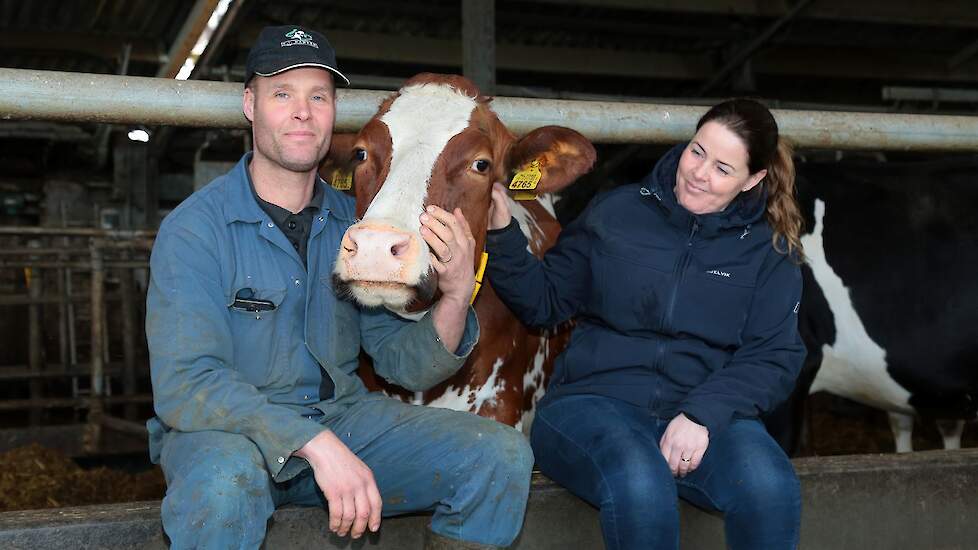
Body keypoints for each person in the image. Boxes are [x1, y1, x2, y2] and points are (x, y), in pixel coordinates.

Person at [145, 25, 533, 550]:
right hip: (227, 435)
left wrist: (455, 295)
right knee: (223, 485)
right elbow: (187, 383)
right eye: (282, 94)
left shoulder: (354, 224)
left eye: (318, 96)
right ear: (249, 106)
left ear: (334, 112)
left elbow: (399, 361)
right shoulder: (195, 228)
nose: (302, 112)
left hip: (344, 420)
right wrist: (313, 442)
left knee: (500, 455)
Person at [485, 98, 805, 549]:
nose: (698, 173)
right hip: (592, 403)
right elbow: (546, 301)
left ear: (753, 179)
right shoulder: (617, 213)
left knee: (771, 487)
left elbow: (773, 356)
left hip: (702, 413)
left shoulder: (768, 253)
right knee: (639, 482)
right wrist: (501, 235)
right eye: (697, 152)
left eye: (722, 169)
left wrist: (702, 414)